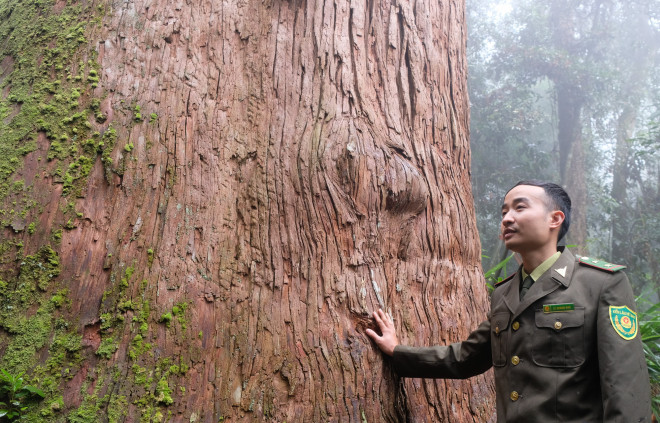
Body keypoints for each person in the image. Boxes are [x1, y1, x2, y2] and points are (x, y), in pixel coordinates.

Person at [366, 180, 652, 422]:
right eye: (504, 211)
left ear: (555, 219)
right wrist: (397, 351)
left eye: (520, 207)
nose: (506, 218)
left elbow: (625, 385)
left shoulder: (600, 283)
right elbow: (466, 358)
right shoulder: (504, 293)